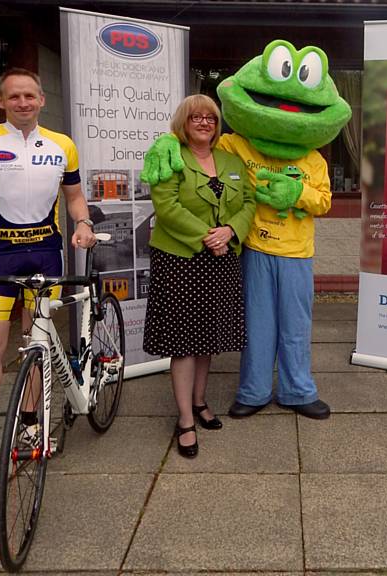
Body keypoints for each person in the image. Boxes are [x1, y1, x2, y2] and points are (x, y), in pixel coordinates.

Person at [141, 40, 351, 421]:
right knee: (256, 324)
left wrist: (298, 192)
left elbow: (324, 201)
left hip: (297, 253)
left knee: (295, 326)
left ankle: (297, 390)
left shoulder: (315, 159)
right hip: (253, 247)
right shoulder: (235, 145)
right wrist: (166, 140)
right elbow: (197, 140)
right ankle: (253, 390)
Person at [0, 68, 97, 492]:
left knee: (37, 344)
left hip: (47, 255)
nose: (23, 102)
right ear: (2, 101)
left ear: (42, 100)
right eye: (14, 96)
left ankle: (28, 428)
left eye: (30, 96)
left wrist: (82, 223)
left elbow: (75, 197)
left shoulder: (62, 145)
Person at [143, 94, 255, 458]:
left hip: (221, 259)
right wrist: (209, 237)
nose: (205, 122)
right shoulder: (170, 154)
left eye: (211, 117)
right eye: (197, 117)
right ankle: (185, 419)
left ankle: (201, 400)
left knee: (208, 337)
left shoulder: (230, 160)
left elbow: (249, 203)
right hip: (181, 259)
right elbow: (167, 206)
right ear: (184, 121)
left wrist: (230, 231)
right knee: (183, 341)